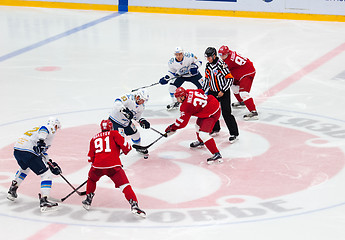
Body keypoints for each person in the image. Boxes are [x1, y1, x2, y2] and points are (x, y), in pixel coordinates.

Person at [82, 119, 146, 218]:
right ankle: (134, 205)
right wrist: (118, 151)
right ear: (111, 127)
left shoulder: (94, 138)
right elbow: (127, 148)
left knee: (91, 179)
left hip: (97, 166)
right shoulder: (114, 133)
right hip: (114, 166)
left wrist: (98, 164)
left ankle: (88, 199)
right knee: (125, 185)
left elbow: (90, 158)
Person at [7, 117, 62, 212]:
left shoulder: (37, 131)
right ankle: (44, 200)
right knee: (46, 175)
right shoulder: (49, 128)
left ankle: (12, 189)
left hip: (18, 150)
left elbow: (41, 152)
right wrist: (41, 141)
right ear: (56, 125)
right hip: (28, 152)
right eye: (57, 127)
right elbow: (45, 129)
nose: (56, 129)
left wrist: (50, 163)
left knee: (24, 169)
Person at [164, 87, 223, 164]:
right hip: (209, 106)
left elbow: (182, 123)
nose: (177, 100)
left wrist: (172, 128)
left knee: (203, 134)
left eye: (178, 98)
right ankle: (201, 142)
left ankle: (216, 154)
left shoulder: (185, 106)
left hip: (211, 113)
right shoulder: (188, 91)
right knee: (197, 126)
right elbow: (201, 91)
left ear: (182, 96)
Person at [204, 47, 239, 143]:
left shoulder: (221, 65)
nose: (208, 59)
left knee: (226, 113)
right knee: (211, 112)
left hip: (223, 92)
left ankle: (234, 133)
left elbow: (230, 79)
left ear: (214, 56)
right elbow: (207, 79)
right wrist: (202, 91)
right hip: (212, 91)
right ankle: (215, 128)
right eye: (206, 57)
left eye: (209, 57)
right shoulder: (208, 65)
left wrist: (223, 90)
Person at [218, 45, 258, 120]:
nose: (221, 57)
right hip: (239, 72)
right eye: (220, 55)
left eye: (223, 55)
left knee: (243, 93)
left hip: (247, 73)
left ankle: (253, 112)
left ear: (227, 54)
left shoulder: (228, 61)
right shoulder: (229, 55)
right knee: (233, 86)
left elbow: (223, 73)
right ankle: (241, 102)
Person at [109, 89, 151, 157]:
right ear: (138, 97)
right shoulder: (128, 97)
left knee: (136, 134)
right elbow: (117, 102)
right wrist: (124, 110)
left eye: (144, 101)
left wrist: (142, 120)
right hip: (115, 121)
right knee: (120, 139)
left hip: (126, 122)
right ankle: (114, 157)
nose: (143, 102)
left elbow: (137, 117)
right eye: (142, 100)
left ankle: (138, 148)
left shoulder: (141, 107)